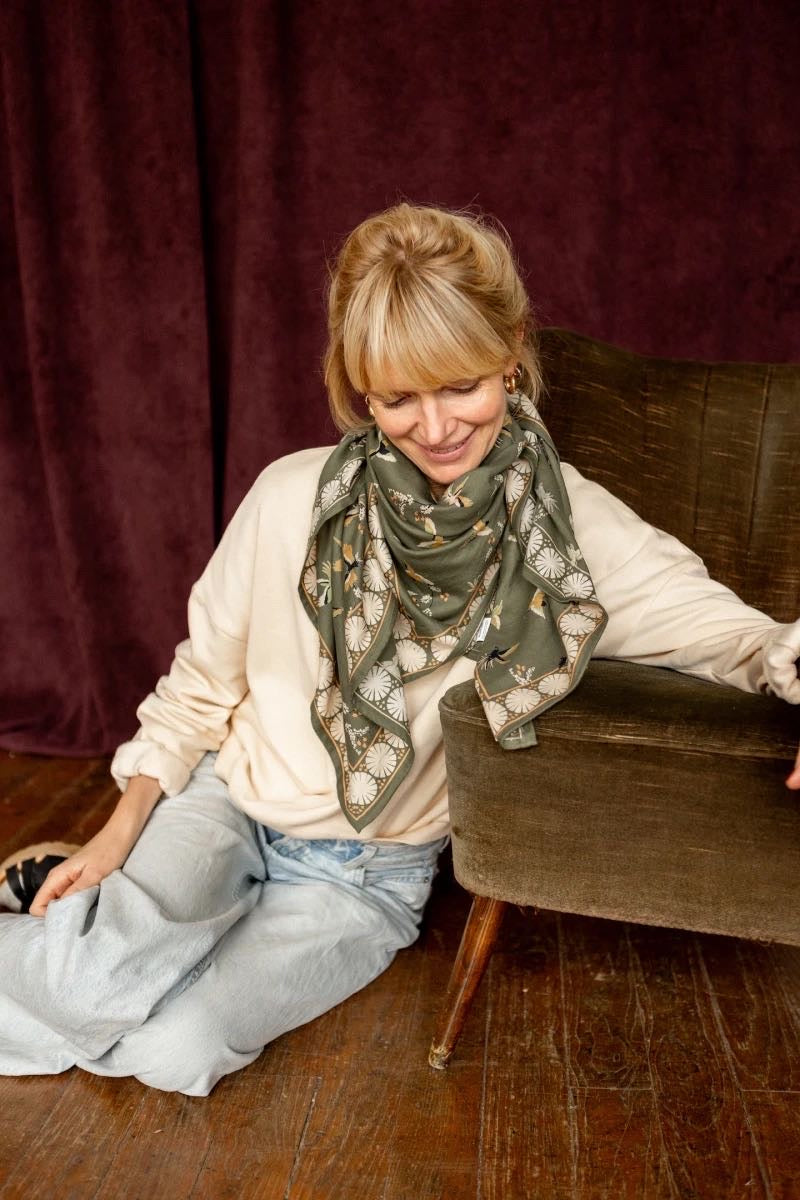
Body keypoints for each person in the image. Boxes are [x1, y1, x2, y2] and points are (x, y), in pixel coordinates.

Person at [1, 203, 799, 1096]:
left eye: (460, 385)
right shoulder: (289, 498)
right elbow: (198, 688)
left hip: (365, 876)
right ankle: (97, 932)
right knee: (89, 985)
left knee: (177, 1049)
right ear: (360, 391)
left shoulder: (569, 532)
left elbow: (732, 635)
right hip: (226, 804)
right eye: (396, 398)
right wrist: (116, 837)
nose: (435, 427)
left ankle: (94, 936)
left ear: (510, 354)